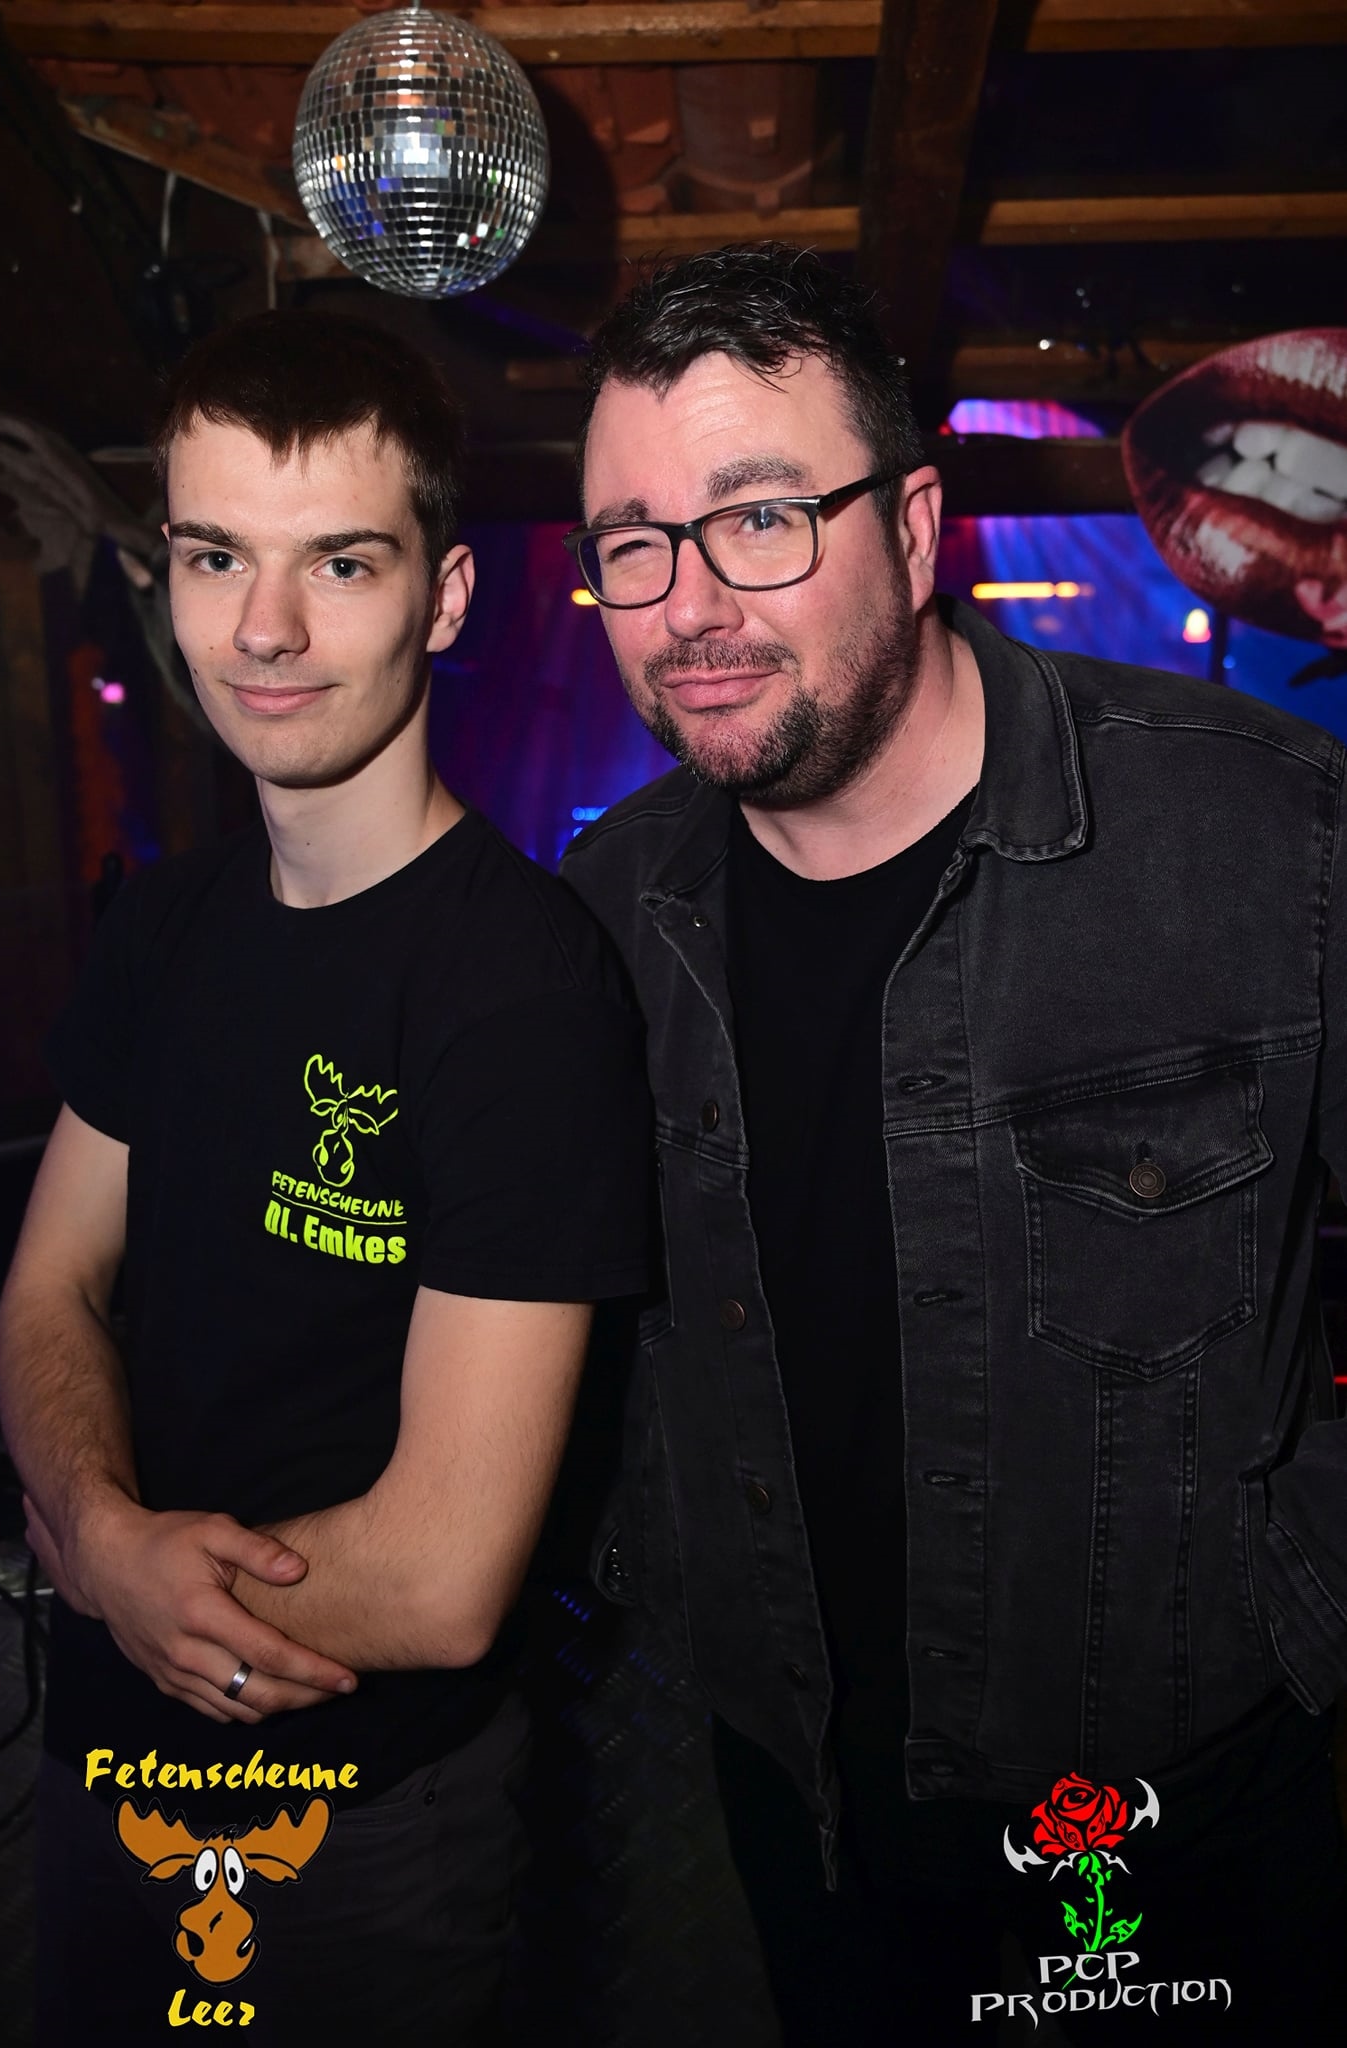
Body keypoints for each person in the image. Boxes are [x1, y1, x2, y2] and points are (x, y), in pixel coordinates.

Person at [560, 243, 1347, 2044]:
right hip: (787, 1800)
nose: (691, 604)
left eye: (762, 518)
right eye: (633, 543)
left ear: (915, 531)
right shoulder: (602, 918)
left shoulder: (1266, 838)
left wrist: (1308, 1586)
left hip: (1166, 1813)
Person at [0, 309, 651, 2046]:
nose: (264, 631)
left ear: (445, 598)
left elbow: (444, 1578)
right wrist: (104, 1532)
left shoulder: (522, 992)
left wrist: (117, 1575)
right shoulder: (166, 925)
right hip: (99, 1772)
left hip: (359, 1827)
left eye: (340, 563)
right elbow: (48, 1290)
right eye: (217, 557)